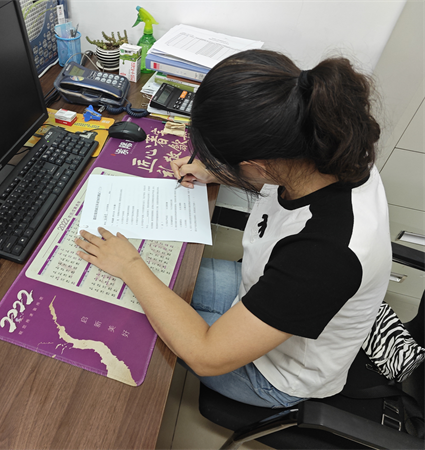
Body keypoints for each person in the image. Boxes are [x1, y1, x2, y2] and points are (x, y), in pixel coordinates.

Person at [75, 49, 391, 408]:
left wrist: (131, 266)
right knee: (149, 282)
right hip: (260, 288)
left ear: (258, 164)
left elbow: (206, 355)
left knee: (129, 314)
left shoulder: (326, 253)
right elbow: (278, 177)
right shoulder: (330, 144)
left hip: (277, 373)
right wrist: (217, 172)